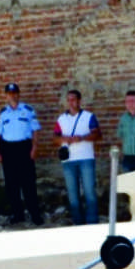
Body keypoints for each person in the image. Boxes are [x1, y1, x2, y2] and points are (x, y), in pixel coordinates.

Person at [0, 82, 43, 225]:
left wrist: (34, 148)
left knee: (28, 183)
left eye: (15, 93)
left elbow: (35, 130)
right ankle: (17, 214)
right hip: (8, 149)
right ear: (6, 96)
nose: (13, 96)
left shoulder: (28, 110)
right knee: (11, 184)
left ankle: (35, 215)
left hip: (24, 148)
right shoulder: (3, 113)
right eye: (10, 94)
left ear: (18, 94)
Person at [54, 89, 102, 224]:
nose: (71, 102)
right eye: (68, 100)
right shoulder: (61, 119)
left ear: (79, 101)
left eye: (73, 99)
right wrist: (65, 139)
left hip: (86, 158)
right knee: (72, 194)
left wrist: (82, 138)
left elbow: (97, 134)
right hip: (68, 160)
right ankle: (78, 223)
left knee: (89, 192)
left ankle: (92, 222)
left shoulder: (89, 116)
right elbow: (55, 138)